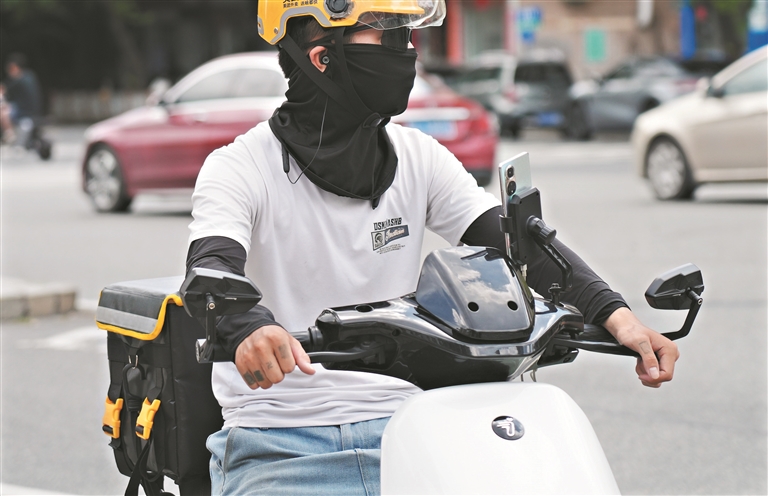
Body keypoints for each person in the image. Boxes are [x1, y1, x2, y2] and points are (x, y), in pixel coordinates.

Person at [186, 1, 679, 494]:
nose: (407, 50)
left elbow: (518, 245)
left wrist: (616, 315)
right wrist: (249, 325)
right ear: (322, 56)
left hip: (411, 428)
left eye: (408, 33)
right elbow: (211, 269)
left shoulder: (418, 158)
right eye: (388, 34)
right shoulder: (239, 167)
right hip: (278, 438)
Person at [1, 53, 43, 145]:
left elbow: (3, 90)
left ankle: (9, 133)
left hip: (24, 111)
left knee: (3, 112)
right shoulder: (30, 76)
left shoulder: (18, 79)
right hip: (34, 110)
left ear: (15, 67)